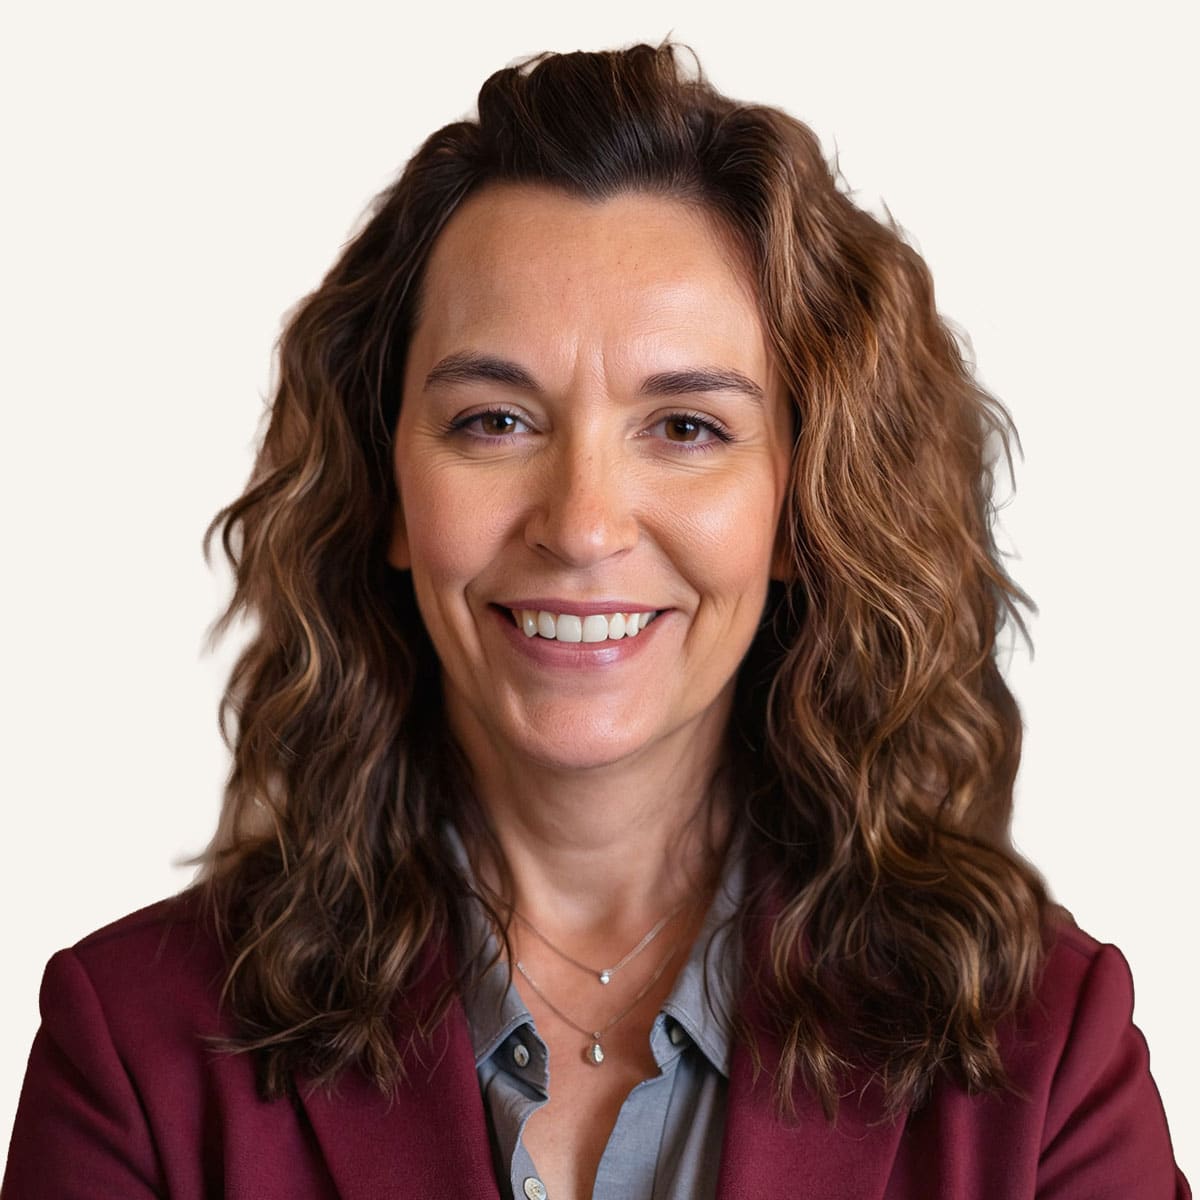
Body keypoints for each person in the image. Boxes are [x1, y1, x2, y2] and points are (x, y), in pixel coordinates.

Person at [2, 40, 1189, 1200]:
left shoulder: (1046, 1056)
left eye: (686, 428)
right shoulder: (134, 1053)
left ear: (799, 508)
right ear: (387, 492)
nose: (580, 525)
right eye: (494, 421)